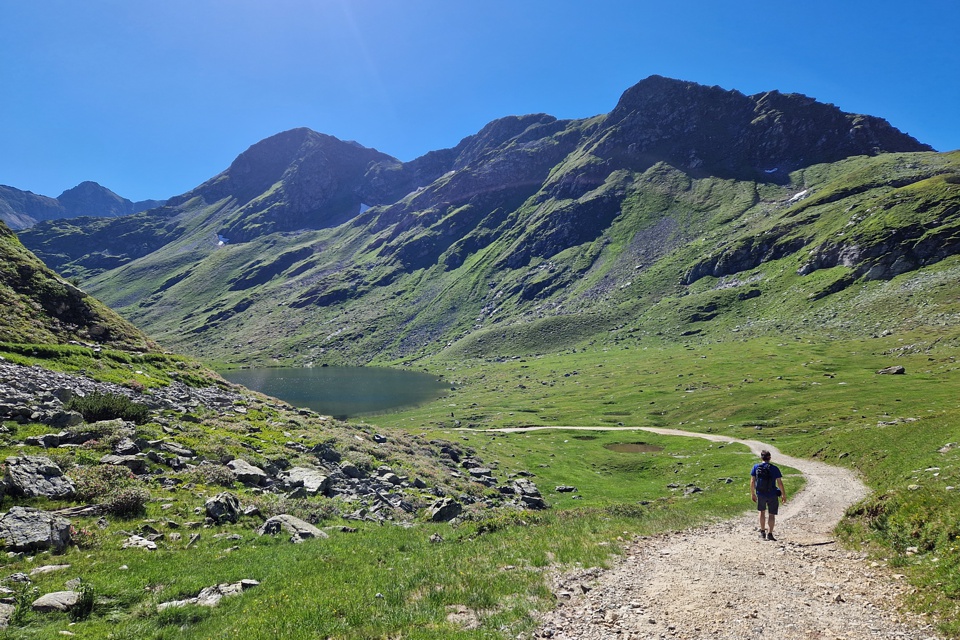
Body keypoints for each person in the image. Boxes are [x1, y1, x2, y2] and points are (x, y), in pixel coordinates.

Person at [751, 450, 786, 541]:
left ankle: (762, 532)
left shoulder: (756, 467)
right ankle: (770, 534)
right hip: (772, 494)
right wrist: (783, 495)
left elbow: (752, 481)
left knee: (761, 512)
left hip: (760, 493)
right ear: (770, 458)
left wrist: (753, 494)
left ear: (761, 457)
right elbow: (780, 483)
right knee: (771, 514)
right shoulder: (774, 468)